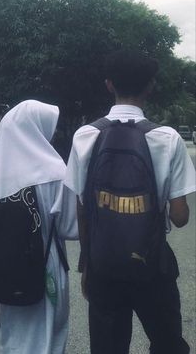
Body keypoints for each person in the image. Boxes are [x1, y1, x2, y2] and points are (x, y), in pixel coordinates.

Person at [65, 49, 196, 354]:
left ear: (109, 85)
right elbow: (180, 216)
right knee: (168, 344)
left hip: (103, 267)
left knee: (107, 347)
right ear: (150, 86)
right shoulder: (167, 138)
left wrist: (87, 266)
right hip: (152, 266)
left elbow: (82, 208)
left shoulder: (85, 136)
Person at [0, 100, 78, 354]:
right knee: (47, 340)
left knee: (15, 341)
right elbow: (70, 228)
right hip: (46, 270)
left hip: (6, 274)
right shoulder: (56, 171)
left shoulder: (0, 172)